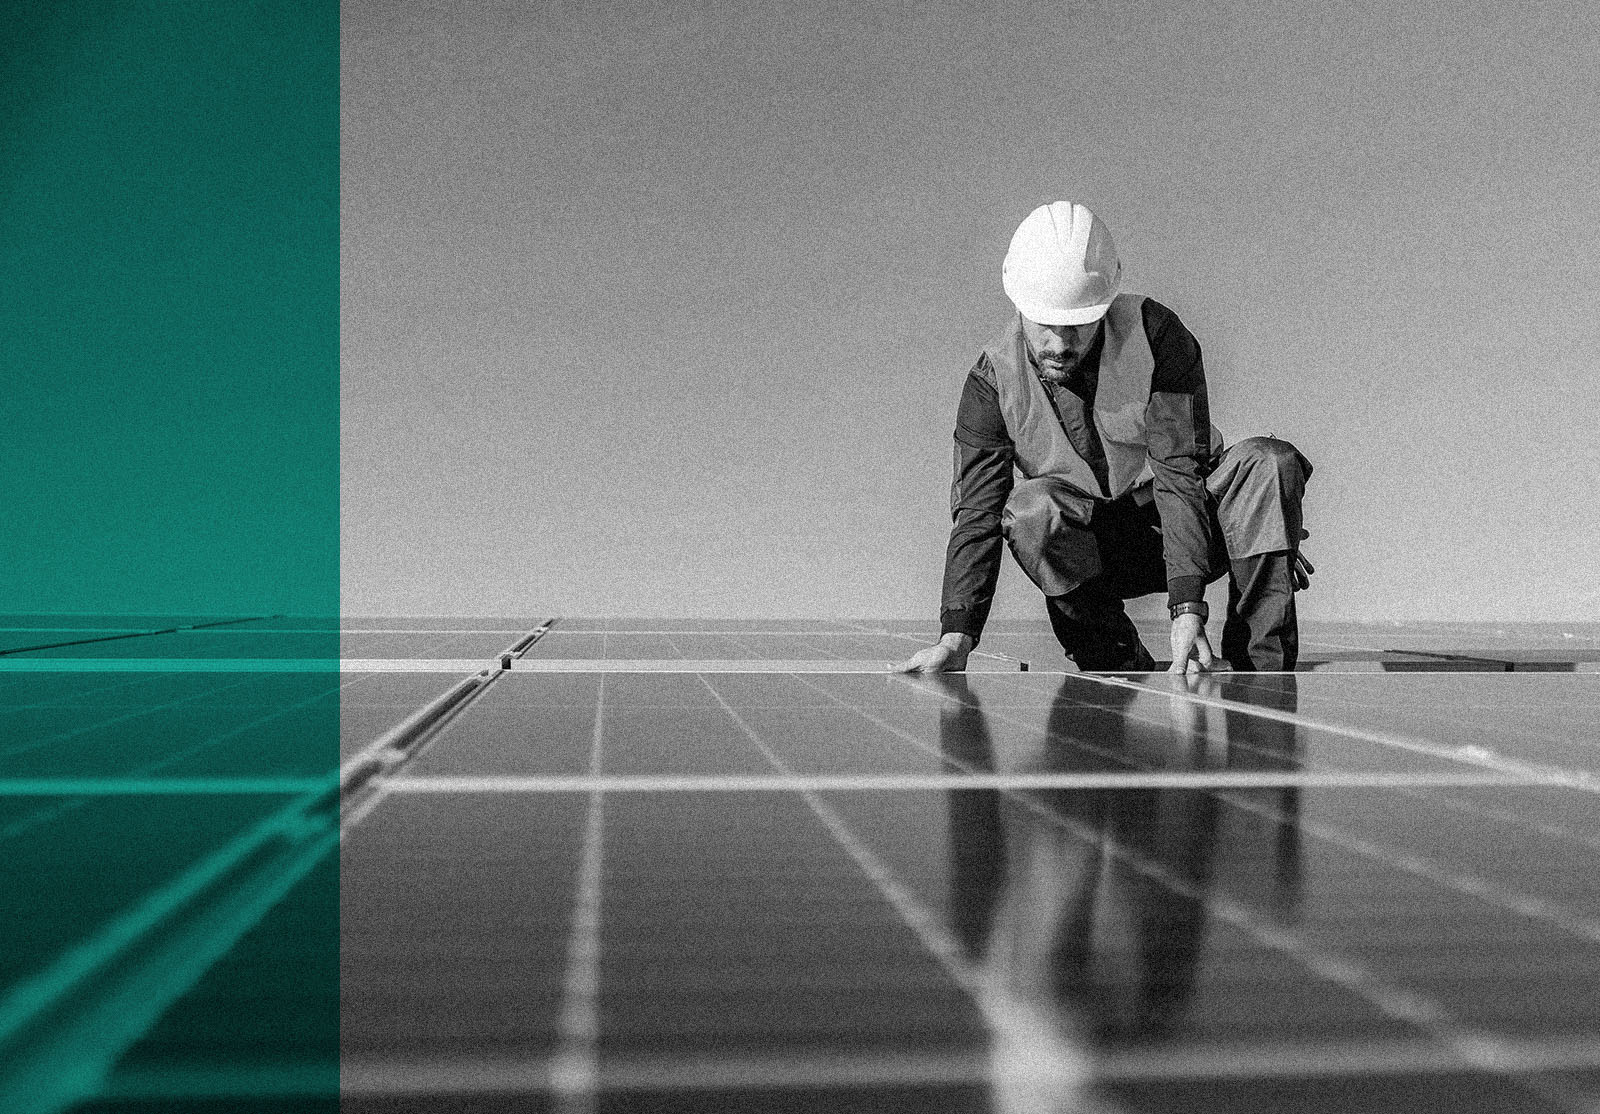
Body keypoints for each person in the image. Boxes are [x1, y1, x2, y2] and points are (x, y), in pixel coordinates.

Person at [891, 201, 1313, 675]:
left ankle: (1261, 672)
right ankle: (1113, 658)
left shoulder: (1156, 336)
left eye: (1077, 325)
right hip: (1097, 550)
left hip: (1194, 522)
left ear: (1105, 306)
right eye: (1045, 324)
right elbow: (977, 516)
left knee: (1267, 466)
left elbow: (1180, 473)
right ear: (1020, 306)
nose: (1059, 343)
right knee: (1031, 513)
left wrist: (1189, 605)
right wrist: (956, 638)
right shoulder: (992, 382)